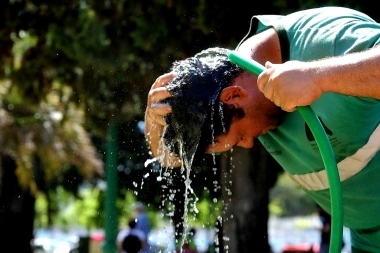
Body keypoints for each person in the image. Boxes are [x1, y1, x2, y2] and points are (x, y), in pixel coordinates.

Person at [144, 6, 380, 253]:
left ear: (234, 95)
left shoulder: (322, 37)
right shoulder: (242, 96)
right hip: (368, 240)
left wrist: (319, 77)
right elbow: (169, 160)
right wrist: (154, 117)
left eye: (241, 137)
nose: (249, 144)